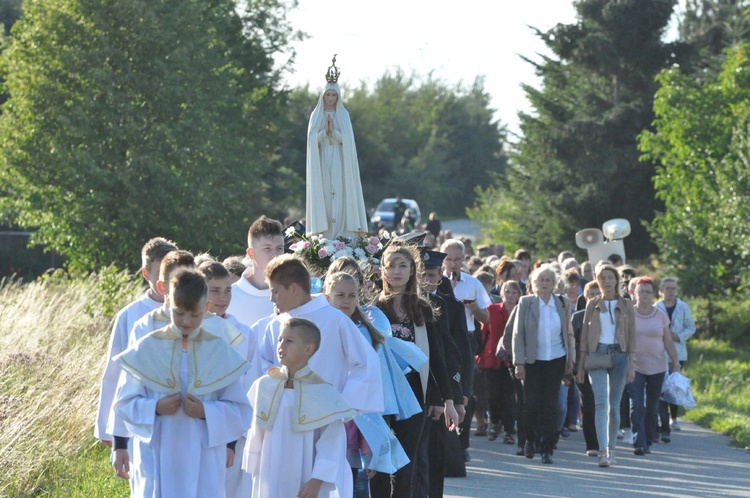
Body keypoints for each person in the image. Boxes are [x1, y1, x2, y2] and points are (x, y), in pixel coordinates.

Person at [111, 269, 252, 497]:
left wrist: (205, 411)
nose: (186, 321)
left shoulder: (219, 351)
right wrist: (155, 408)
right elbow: (124, 403)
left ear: (206, 309)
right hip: (158, 452)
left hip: (204, 456)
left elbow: (241, 411)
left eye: (194, 315)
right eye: (179, 313)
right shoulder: (147, 348)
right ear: (169, 304)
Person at [370, 240, 458, 498]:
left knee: (407, 463)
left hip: (414, 396)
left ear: (412, 271)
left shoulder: (423, 309)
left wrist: (447, 400)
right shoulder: (373, 309)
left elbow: (437, 359)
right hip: (381, 397)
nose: (396, 271)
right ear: (382, 270)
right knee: (380, 463)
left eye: (402, 266)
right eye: (390, 266)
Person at [243, 317, 357, 497]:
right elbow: (254, 431)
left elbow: (332, 442)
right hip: (268, 472)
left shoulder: (323, 392)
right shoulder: (264, 385)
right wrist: (253, 465)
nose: (281, 345)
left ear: (308, 349)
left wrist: (317, 480)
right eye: (280, 339)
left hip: (305, 474)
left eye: (289, 341)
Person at [257, 255, 383, 415]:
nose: (271, 299)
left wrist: (343, 405)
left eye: (275, 292)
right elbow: (263, 365)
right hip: (284, 416)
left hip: (326, 416)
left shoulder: (335, 320)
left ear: (294, 289)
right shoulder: (274, 325)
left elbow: (365, 363)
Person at [324, 271, 417, 483]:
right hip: (326, 407)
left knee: (354, 474)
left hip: (357, 411)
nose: (346, 301)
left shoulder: (366, 331)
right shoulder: (319, 326)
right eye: (340, 295)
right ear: (327, 296)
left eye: (351, 295)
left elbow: (371, 378)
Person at [95, 237, 177, 448]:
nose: (166, 278)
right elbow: (114, 373)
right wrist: (107, 426)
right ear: (146, 273)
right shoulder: (130, 315)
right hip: (142, 409)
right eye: (159, 271)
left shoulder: (193, 312)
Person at [199, 261, 261, 498]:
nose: (223, 297)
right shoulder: (189, 329)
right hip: (197, 425)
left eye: (228, 290)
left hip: (234, 430)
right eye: (215, 290)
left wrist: (235, 433)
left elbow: (250, 382)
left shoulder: (244, 332)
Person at [512, 264, 575, 465]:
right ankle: (530, 440)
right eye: (541, 280)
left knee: (551, 406)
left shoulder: (563, 303)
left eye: (549, 280)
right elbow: (517, 335)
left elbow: (569, 333)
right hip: (532, 361)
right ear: (534, 283)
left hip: (556, 359)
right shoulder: (526, 302)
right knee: (531, 405)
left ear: (555, 283)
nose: (545, 283)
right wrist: (518, 362)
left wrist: (570, 359)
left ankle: (547, 449)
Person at [576, 262, 636, 467]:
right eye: (603, 278)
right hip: (597, 354)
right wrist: (581, 364)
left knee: (615, 406)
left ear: (617, 280)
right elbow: (584, 336)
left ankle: (612, 450)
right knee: (600, 404)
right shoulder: (592, 303)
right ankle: (602, 452)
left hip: (620, 354)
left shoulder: (626, 304)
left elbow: (632, 335)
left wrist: (632, 364)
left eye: (610, 278)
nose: (607, 281)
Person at [305, 58, 368, 239]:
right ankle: (326, 235)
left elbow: (348, 140)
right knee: (325, 193)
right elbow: (311, 141)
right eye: (328, 95)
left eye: (334, 95)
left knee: (340, 194)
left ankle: (341, 234)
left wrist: (336, 133)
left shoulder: (343, 114)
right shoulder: (316, 115)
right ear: (323, 96)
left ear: (338, 97)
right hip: (323, 158)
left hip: (340, 159)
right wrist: (324, 133)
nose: (331, 99)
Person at [627, 276, 681, 456]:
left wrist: (675, 362)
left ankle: (649, 439)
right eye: (640, 291)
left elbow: (668, 341)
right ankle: (639, 442)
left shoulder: (660, 316)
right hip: (634, 366)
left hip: (658, 367)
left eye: (647, 292)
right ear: (634, 293)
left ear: (653, 295)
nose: (644, 294)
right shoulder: (628, 314)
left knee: (652, 407)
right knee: (637, 405)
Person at [226, 215, 284, 338]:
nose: (275, 255)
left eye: (279, 248)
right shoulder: (229, 297)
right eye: (267, 248)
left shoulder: (292, 295)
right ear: (251, 254)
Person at [477, 280, 520, 444]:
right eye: (507, 292)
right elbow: (483, 334)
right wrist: (479, 354)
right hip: (492, 358)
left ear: (518, 295)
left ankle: (509, 430)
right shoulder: (492, 310)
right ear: (502, 294)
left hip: (514, 359)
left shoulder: (521, 310)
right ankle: (494, 423)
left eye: (514, 292)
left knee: (509, 396)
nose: (510, 295)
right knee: (493, 394)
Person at [656, 276, 696, 439]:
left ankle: (674, 417)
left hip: (678, 351)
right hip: (659, 351)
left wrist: (678, 336)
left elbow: (691, 326)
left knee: (674, 384)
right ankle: (662, 418)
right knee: (661, 386)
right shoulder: (656, 307)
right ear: (661, 290)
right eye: (668, 288)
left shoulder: (683, 307)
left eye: (673, 288)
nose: (671, 291)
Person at [572, 280, 601, 457]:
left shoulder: (610, 315)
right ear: (585, 296)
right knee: (589, 404)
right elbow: (571, 343)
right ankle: (592, 444)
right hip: (582, 366)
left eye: (598, 295)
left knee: (603, 404)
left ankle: (605, 442)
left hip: (605, 364)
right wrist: (575, 368)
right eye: (591, 295)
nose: (594, 298)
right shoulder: (577, 317)